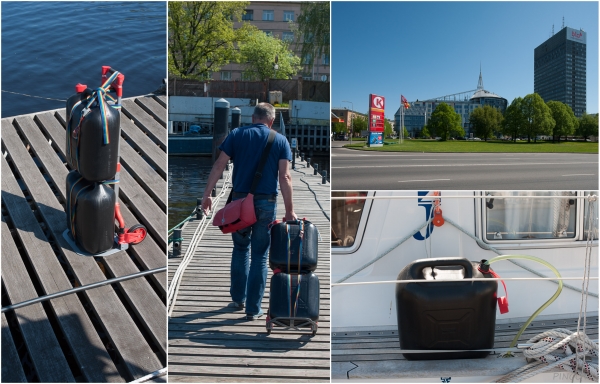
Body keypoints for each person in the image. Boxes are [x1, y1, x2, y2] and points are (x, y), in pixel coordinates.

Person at [201, 102, 296, 320]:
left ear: (253, 118)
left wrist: (207, 195)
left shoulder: (236, 134)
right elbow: (285, 177)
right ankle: (253, 309)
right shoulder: (280, 140)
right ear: (271, 121)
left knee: (240, 249)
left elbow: (219, 165)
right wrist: (290, 211)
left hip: (239, 203)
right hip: (266, 204)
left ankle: (237, 299)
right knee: (260, 256)